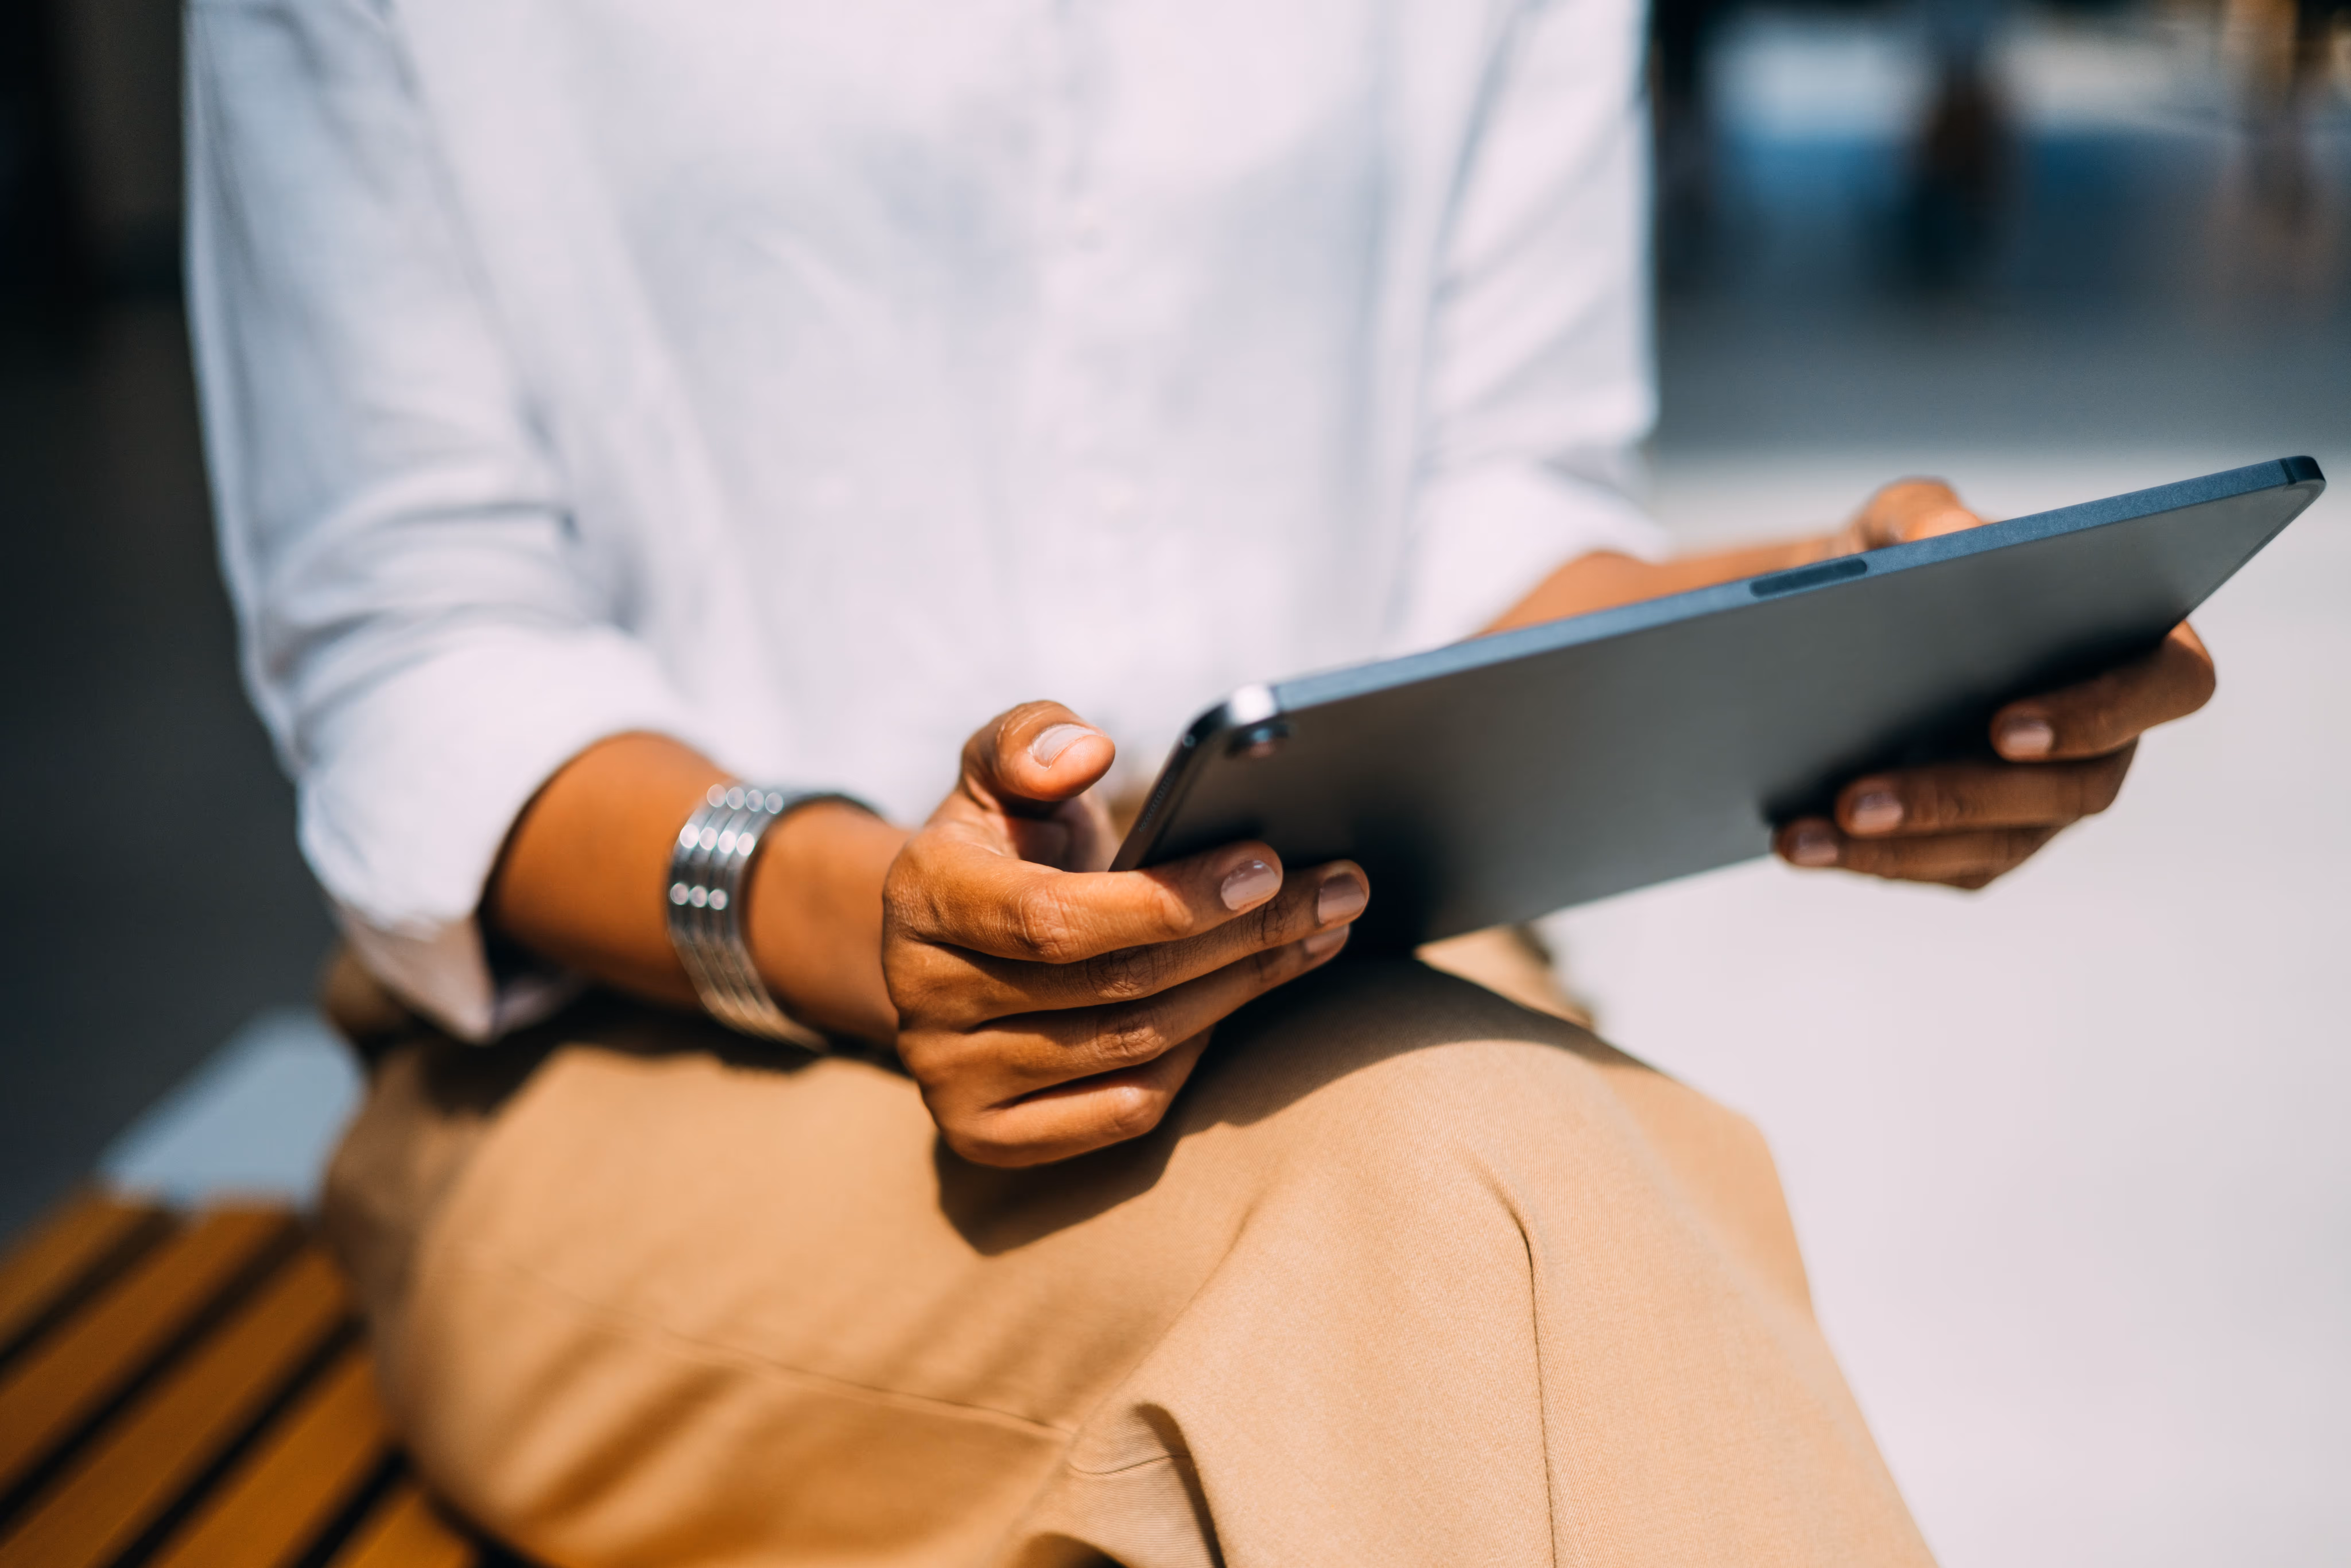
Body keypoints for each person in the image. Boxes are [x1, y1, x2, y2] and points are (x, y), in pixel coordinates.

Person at [187, 0, 2214, 1561]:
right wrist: (874, 933)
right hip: (646, 1056)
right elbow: (418, 642)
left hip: (1356, 988)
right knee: (1492, 1218)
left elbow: (1495, 522)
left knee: (1471, 1222)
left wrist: (1852, 638)